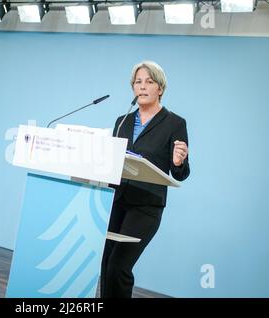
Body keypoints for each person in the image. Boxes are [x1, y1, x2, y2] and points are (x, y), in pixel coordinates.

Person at [100, 61, 190, 297]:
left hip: (146, 206)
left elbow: (180, 173)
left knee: (119, 266)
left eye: (149, 82)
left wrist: (179, 162)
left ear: (160, 88)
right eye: (137, 82)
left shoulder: (175, 123)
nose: (142, 86)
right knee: (106, 264)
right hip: (116, 200)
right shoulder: (123, 121)